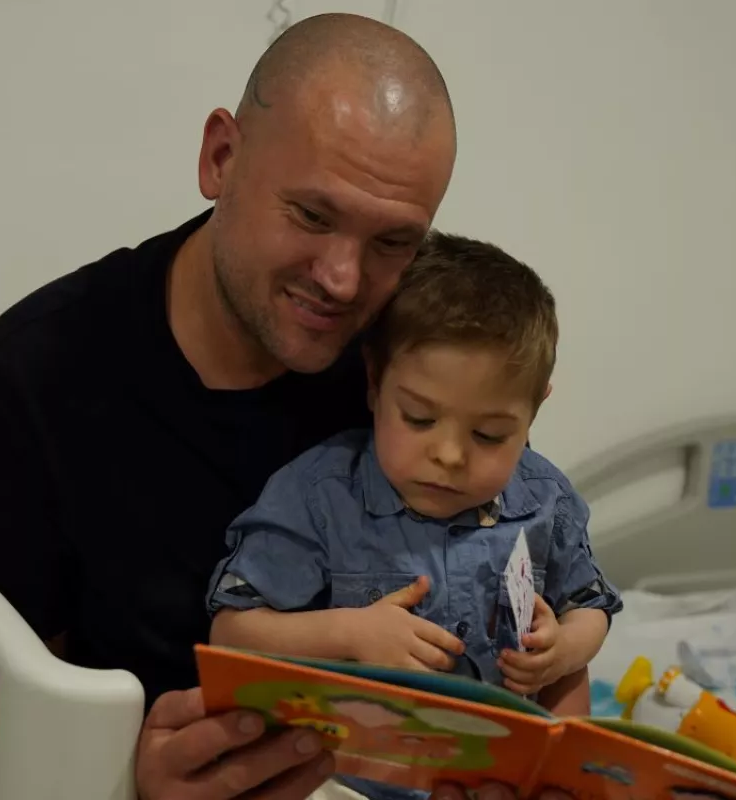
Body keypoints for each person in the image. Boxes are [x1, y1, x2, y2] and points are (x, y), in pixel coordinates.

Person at [0, 11, 564, 800]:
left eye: (393, 243)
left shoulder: (404, 367)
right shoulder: (43, 372)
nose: (342, 279)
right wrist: (123, 779)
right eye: (312, 215)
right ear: (221, 159)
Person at [206, 233, 622, 800]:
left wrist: (563, 650)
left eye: (488, 434)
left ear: (533, 411)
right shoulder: (321, 497)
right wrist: (349, 633)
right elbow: (231, 635)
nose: (449, 455)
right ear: (375, 383)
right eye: (420, 419)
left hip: (498, 779)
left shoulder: (546, 500)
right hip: (348, 782)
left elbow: (590, 607)